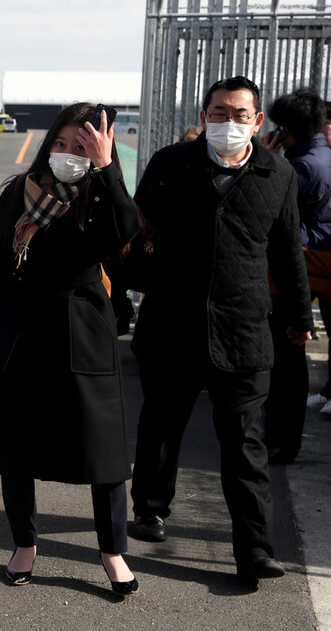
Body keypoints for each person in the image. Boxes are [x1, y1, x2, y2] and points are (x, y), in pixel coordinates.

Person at [129, 76, 312, 585]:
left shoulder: (278, 174)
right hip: (172, 325)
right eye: (218, 112)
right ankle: (150, 507)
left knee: (246, 445)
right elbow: (138, 235)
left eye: (238, 114)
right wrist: (136, 288)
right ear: (204, 115)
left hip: (244, 330)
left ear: (257, 122)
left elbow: (286, 254)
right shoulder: (170, 165)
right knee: (162, 423)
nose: (227, 122)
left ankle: (254, 549)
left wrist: (299, 317)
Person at [0, 102, 140, 595]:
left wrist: (105, 168)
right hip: (22, 325)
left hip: (84, 324)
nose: (67, 154)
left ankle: (112, 551)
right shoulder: (22, 191)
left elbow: (125, 230)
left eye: (79, 146)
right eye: (60, 144)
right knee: (18, 442)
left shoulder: (101, 192)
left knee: (102, 447)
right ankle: (24, 543)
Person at [261, 88, 331, 461]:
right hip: (316, 267)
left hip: (297, 270)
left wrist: (266, 163)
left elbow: (274, 214)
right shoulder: (325, 157)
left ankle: (282, 441)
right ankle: (286, 440)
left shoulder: (300, 167)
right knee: (293, 356)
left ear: (286, 130)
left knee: (285, 360)